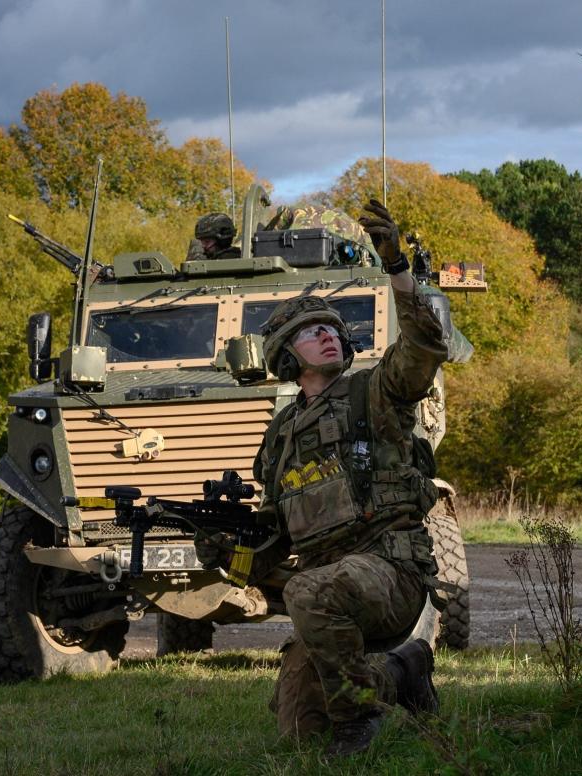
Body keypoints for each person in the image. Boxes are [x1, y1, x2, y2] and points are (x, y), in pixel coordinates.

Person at [199, 200, 447, 756]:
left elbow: (425, 347)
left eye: (333, 329)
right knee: (301, 732)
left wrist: (396, 268)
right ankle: (402, 672)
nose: (329, 336)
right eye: (312, 332)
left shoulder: (374, 394)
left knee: (308, 591)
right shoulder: (281, 436)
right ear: (287, 355)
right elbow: (272, 542)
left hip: (390, 570)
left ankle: (361, 721)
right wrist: (227, 553)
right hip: (329, 587)